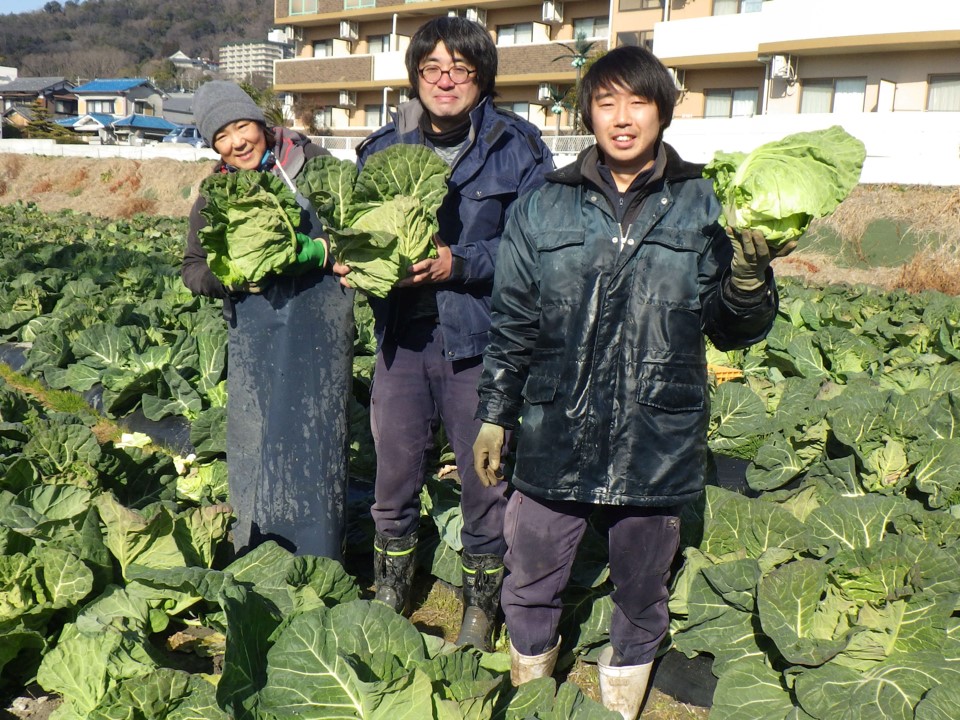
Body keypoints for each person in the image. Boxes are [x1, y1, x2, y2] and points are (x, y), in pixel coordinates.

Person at [472, 46, 793, 719]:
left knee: (642, 591)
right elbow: (513, 322)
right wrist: (496, 412)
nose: (622, 118)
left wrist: (745, 281)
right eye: (607, 102)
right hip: (554, 430)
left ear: (663, 111)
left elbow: (734, 332)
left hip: (658, 437)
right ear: (588, 112)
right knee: (530, 577)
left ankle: (621, 703)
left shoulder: (708, 204)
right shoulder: (544, 206)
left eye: (638, 102)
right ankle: (534, 696)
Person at [339, 16, 553, 649]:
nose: (446, 80)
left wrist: (459, 263)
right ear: (416, 78)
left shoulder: (521, 148)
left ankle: (480, 608)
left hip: (480, 343)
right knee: (393, 475)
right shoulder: (382, 148)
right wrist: (359, 264)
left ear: (482, 77)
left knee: (486, 480)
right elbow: (356, 230)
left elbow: (532, 249)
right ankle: (391, 588)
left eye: (461, 68)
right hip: (401, 341)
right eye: (432, 68)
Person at [182, 80, 355, 560]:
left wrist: (320, 251)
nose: (236, 142)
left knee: (317, 442)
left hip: (321, 328)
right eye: (221, 135)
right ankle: (257, 552)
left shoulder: (316, 166)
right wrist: (235, 276)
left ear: (261, 123)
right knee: (254, 443)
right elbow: (192, 269)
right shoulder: (214, 195)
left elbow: (359, 229)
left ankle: (320, 556)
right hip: (254, 334)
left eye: (242, 126)